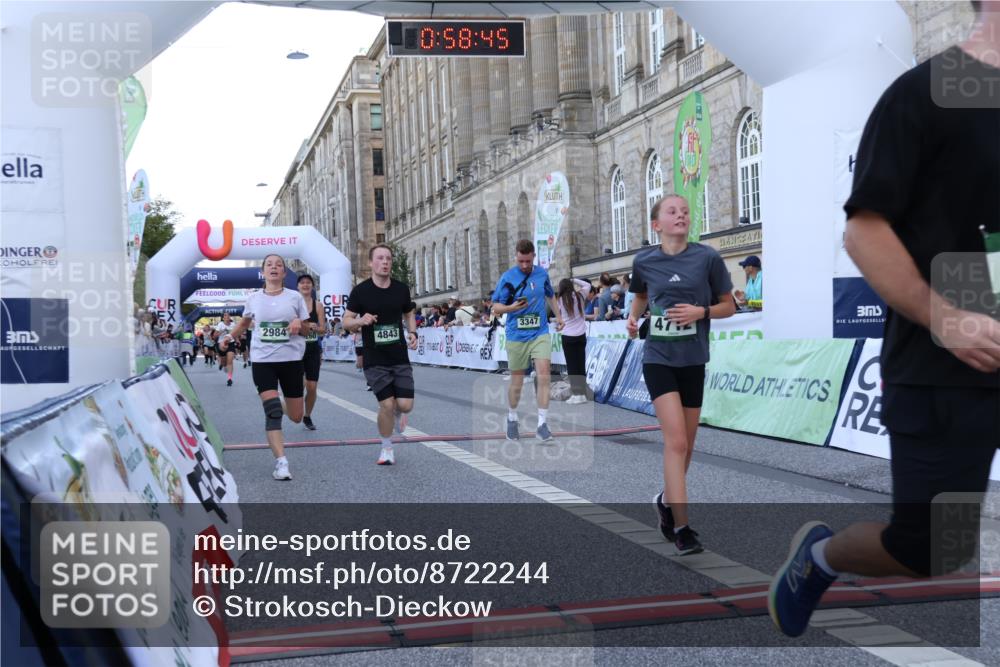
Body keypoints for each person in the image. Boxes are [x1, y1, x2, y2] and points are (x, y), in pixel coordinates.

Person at [769, 5, 1000, 637]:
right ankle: (818, 559)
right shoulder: (925, 94)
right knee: (931, 550)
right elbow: (864, 231)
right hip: (945, 369)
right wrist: (945, 317)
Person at [627, 194, 735, 555]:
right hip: (658, 357)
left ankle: (664, 500)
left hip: (693, 359)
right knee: (675, 442)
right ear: (657, 224)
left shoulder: (707, 258)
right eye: (672, 212)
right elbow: (641, 296)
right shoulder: (644, 261)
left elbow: (729, 306)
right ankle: (682, 528)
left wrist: (700, 312)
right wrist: (632, 317)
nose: (681, 215)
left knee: (686, 446)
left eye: (685, 211)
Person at [221, 253, 308, 481]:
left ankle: (280, 402)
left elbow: (308, 330)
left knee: (297, 416)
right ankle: (281, 462)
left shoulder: (295, 297)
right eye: (269, 264)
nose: (274, 267)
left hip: (290, 360)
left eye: (278, 265)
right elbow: (244, 324)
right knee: (273, 412)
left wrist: (299, 323)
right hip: (263, 361)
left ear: (284, 273)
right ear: (263, 271)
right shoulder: (253, 299)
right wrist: (229, 337)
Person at [343, 244, 419, 466]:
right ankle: (386, 448)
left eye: (388, 258)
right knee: (386, 404)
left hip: (399, 356)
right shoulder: (361, 291)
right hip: (374, 358)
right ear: (370, 263)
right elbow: (346, 321)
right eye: (380, 258)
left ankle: (397, 413)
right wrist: (360, 320)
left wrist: (412, 332)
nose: (385, 262)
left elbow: (408, 312)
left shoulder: (401, 289)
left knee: (405, 405)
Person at [491, 239, 564, 443]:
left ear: (533, 257)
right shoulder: (508, 277)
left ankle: (542, 424)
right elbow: (496, 307)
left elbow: (550, 296)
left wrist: (559, 317)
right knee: (517, 382)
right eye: (521, 261)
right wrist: (511, 308)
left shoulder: (541, 274)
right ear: (516, 257)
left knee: (544, 374)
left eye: (528, 261)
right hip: (516, 335)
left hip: (539, 333)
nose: (524, 265)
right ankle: (512, 418)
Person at [296, 274, 327, 431]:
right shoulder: (292, 303)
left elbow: (323, 330)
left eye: (308, 283)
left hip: (313, 349)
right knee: (299, 385)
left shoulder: (318, 306)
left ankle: (307, 416)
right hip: (295, 349)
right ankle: (296, 409)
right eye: (302, 283)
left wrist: (316, 328)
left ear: (312, 286)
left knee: (312, 387)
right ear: (298, 286)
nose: (305, 285)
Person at [556, 278, 591, 404]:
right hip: (581, 334)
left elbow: (558, 317)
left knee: (572, 366)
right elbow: (587, 284)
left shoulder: (560, 300)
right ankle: (582, 393)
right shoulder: (580, 295)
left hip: (568, 335)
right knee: (580, 365)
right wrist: (574, 279)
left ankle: (577, 394)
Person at [215, 312, 239, 386]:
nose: (227, 316)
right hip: (221, 344)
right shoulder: (220, 324)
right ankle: (222, 364)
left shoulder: (233, 325)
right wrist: (222, 331)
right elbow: (215, 335)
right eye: (225, 315)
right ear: (223, 318)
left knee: (230, 360)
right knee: (224, 362)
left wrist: (237, 340)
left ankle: (229, 379)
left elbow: (235, 333)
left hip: (230, 343)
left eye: (228, 315)